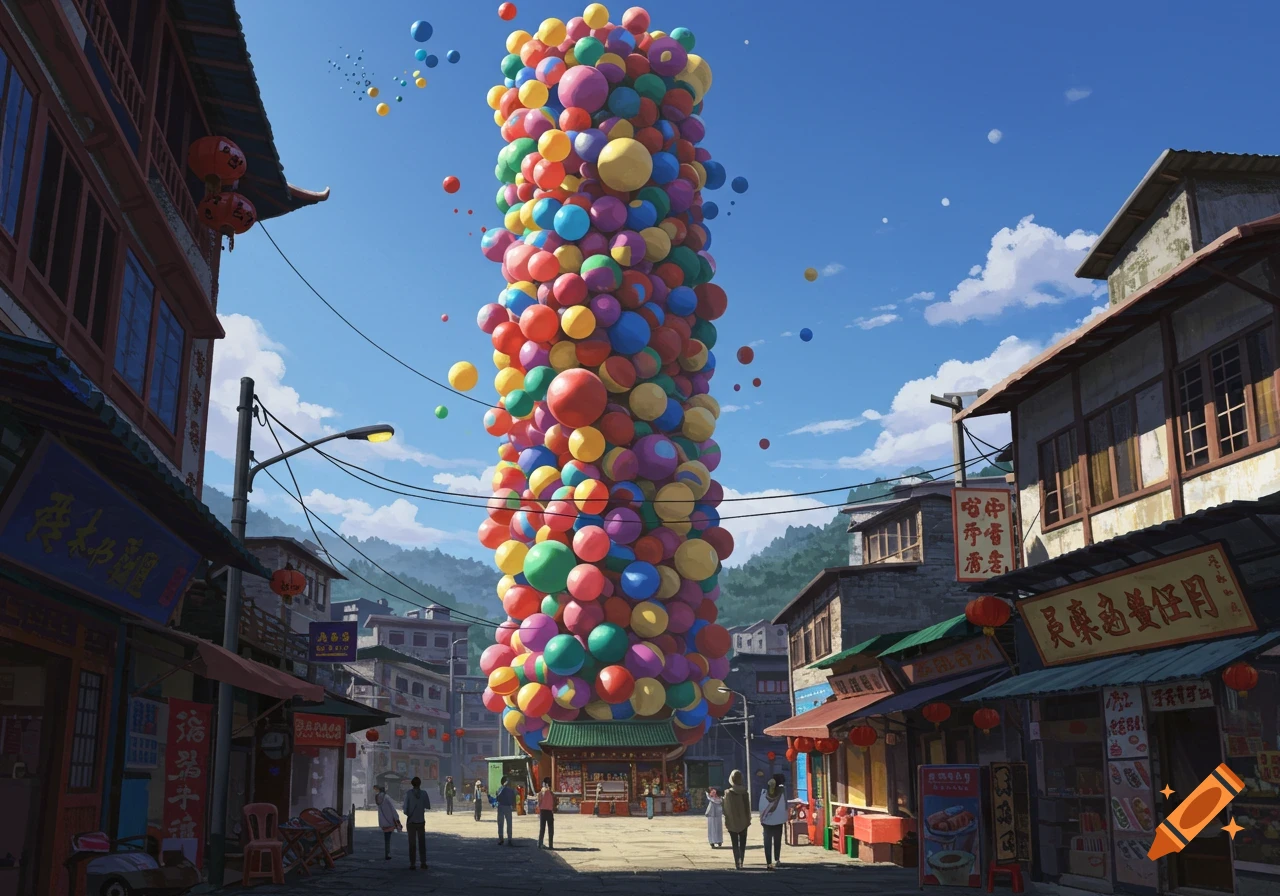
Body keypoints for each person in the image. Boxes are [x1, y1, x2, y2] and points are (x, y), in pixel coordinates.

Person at [723, 770, 752, 870]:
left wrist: (727, 819)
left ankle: (737, 863)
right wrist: (748, 819)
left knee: (734, 843)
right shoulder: (745, 792)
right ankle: (742, 861)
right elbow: (748, 808)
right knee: (743, 843)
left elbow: (726, 809)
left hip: (732, 821)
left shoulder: (728, 793)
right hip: (744, 821)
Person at [401, 776, 431, 870]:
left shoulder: (408, 794)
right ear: (420, 784)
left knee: (412, 843)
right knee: (422, 843)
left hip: (411, 822)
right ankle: (423, 862)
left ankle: (412, 863)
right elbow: (428, 806)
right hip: (421, 821)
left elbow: (405, 809)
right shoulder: (424, 793)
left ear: (412, 784)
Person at [758, 774, 787, 870]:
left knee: (767, 841)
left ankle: (768, 862)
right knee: (777, 840)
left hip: (767, 821)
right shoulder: (782, 791)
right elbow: (785, 805)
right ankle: (777, 859)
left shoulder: (764, 791)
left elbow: (761, 806)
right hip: (778, 820)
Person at [375, 785, 401, 860]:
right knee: (388, 838)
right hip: (390, 821)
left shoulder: (377, 798)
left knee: (386, 838)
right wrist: (397, 818)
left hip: (382, 821)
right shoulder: (387, 798)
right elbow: (392, 809)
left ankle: (387, 853)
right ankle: (388, 853)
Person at [495, 775, 517, 845]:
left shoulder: (500, 789)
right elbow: (514, 798)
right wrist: (513, 806)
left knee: (500, 824)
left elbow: (497, 798)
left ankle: (501, 839)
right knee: (509, 824)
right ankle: (509, 839)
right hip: (508, 807)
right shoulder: (511, 790)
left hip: (501, 807)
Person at [537, 777, 556, 849]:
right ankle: (551, 845)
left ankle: (540, 843)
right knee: (550, 829)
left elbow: (539, 801)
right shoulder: (551, 793)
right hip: (549, 812)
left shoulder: (541, 792)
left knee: (542, 828)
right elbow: (554, 802)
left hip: (543, 811)